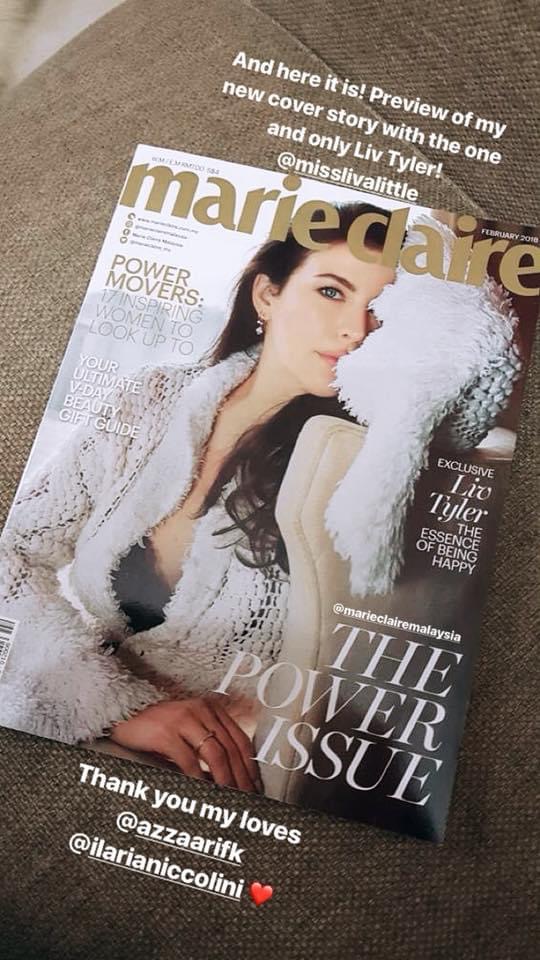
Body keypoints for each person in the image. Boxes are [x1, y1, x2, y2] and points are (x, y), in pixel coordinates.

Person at [0, 202, 395, 794]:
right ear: (268, 296)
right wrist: (112, 701)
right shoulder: (151, 397)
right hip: (72, 714)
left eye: (381, 311)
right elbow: (16, 552)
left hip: (222, 768)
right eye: (332, 292)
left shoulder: (364, 461)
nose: (356, 330)